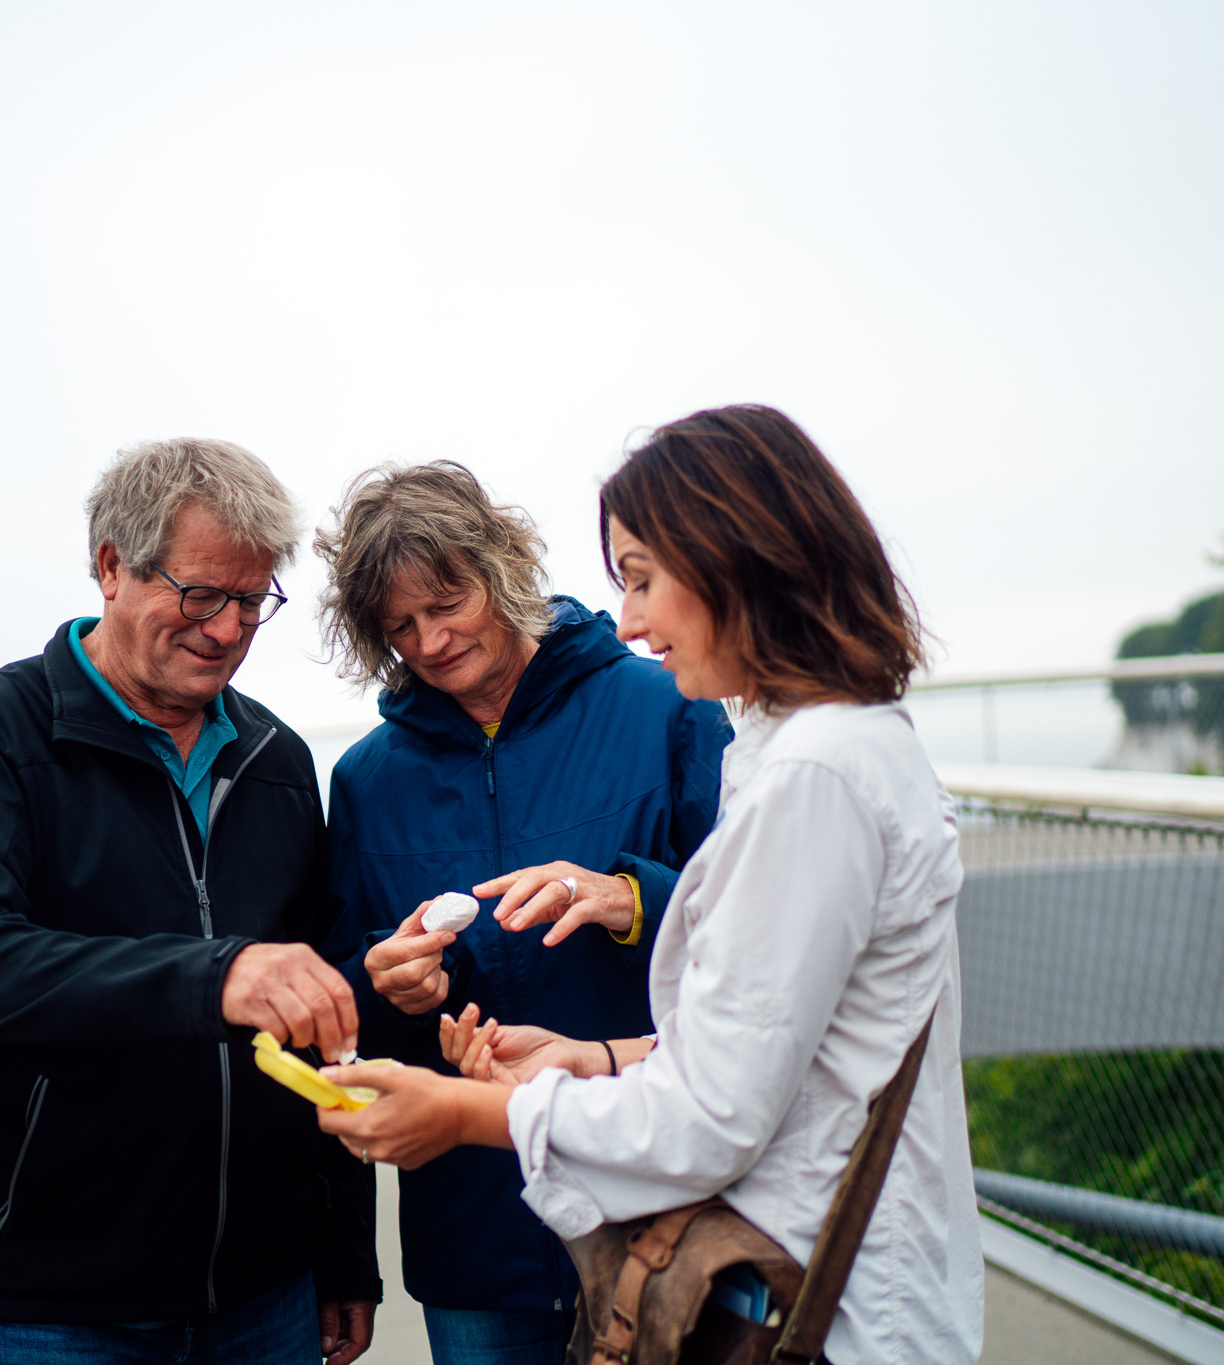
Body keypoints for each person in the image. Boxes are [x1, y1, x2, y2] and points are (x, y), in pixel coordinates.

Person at [315, 407, 986, 1364]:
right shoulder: (816, 749)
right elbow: (765, 1045)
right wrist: (587, 1058)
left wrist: (462, 1111)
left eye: (641, 578)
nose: (626, 618)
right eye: (400, 626)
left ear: (736, 561)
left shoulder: (808, 773)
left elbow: (713, 1112)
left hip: (813, 1293)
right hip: (646, 1255)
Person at [0, 438, 380, 1365]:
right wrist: (217, 977)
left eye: (253, 601)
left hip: (271, 1288)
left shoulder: (279, 761)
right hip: (62, 1303)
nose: (229, 628)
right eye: (201, 595)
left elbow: (321, 1013)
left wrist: (344, 1249)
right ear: (110, 566)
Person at [314, 461, 731, 1365]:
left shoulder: (665, 707)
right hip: (476, 1238)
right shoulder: (365, 782)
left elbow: (753, 935)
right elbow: (344, 1010)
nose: (430, 640)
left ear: (503, 564)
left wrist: (627, 898)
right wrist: (391, 985)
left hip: (659, 1206)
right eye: (400, 626)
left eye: (448, 600)